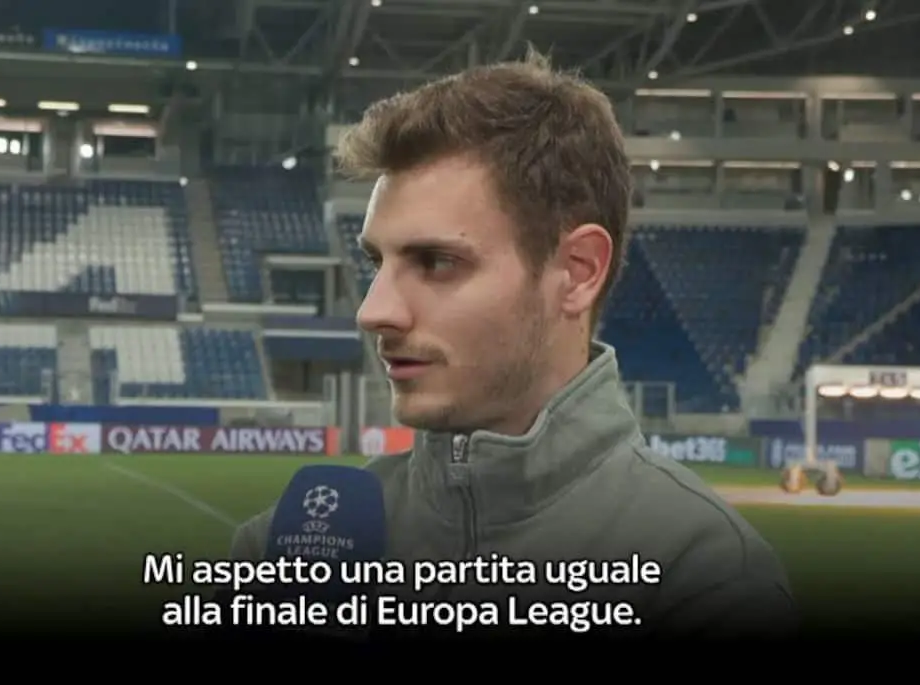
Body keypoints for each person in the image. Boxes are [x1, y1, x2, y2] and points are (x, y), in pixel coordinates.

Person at [230, 49, 797, 639]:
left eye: (436, 262)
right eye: (378, 261)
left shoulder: (706, 581)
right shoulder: (286, 553)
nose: (374, 311)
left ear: (577, 272)